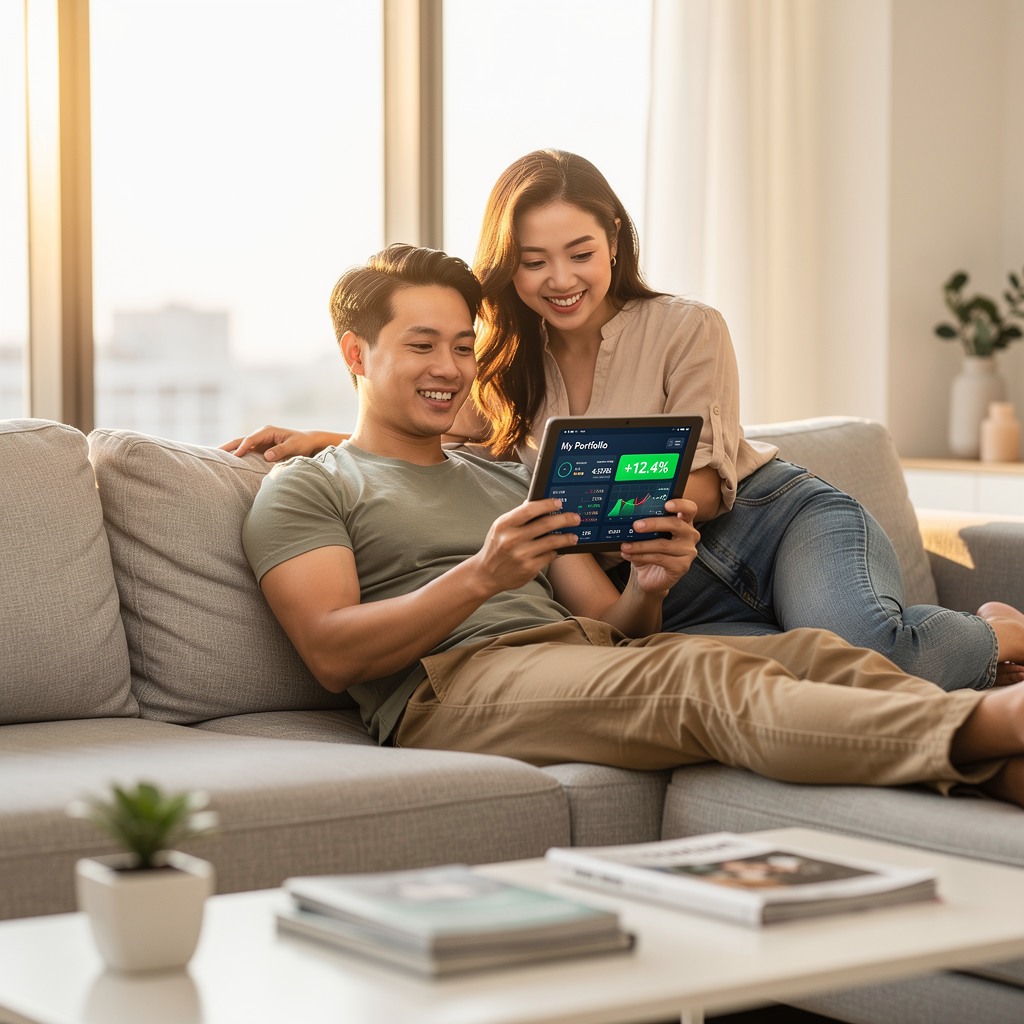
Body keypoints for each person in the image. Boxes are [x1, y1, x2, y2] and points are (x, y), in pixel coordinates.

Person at [241, 242, 1024, 809]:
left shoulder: (506, 476)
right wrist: (480, 577)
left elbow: (611, 626)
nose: (449, 368)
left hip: (588, 658)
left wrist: (650, 586)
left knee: (810, 653)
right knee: (701, 682)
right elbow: (332, 653)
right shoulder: (308, 486)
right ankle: (994, 719)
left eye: (461, 347)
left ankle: (999, 768)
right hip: (453, 686)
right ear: (356, 354)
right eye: (422, 346)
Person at [226, 149, 1024, 693]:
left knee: (875, 658)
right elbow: (433, 431)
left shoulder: (687, 326)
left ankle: (998, 631)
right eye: (533, 261)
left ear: (613, 239)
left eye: (579, 252)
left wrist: (582, 506)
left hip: (773, 523)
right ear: (509, 266)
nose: (560, 279)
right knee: (804, 684)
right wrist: (324, 441)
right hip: (668, 583)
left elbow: (703, 488)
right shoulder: (500, 364)